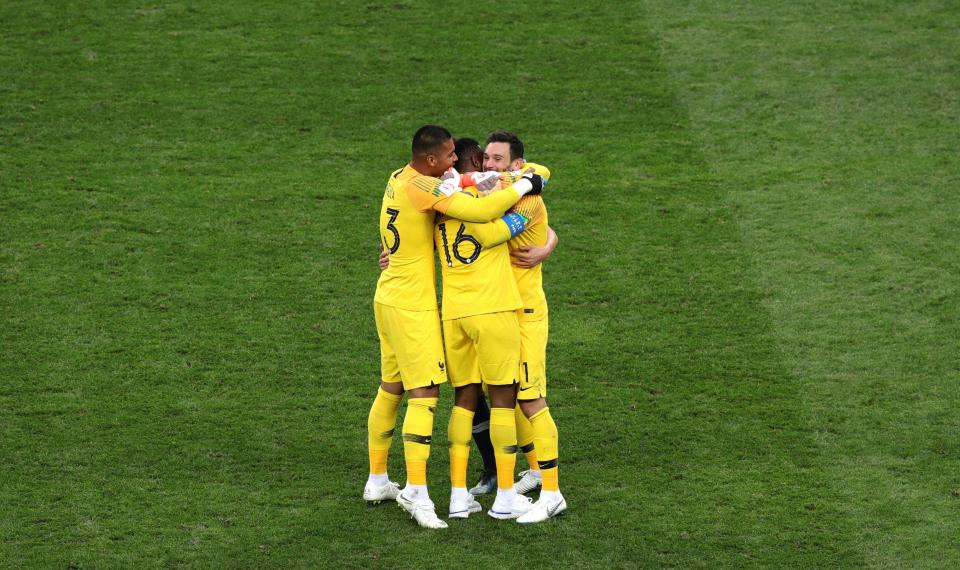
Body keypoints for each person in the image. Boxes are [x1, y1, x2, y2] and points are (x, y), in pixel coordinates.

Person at [365, 125, 543, 529]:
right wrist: (526, 183)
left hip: (389, 296)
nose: (450, 166)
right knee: (425, 394)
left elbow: (448, 191)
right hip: (416, 306)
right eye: (446, 158)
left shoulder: (398, 177)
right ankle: (418, 492)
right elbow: (481, 213)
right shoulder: (431, 193)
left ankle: (378, 479)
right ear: (430, 161)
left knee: (391, 387)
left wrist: (469, 179)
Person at [434, 138, 544, 520]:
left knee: (464, 399)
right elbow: (495, 228)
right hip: (493, 309)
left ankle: (457, 495)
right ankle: (507, 494)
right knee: (503, 399)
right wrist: (528, 189)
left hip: (453, 314)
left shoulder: (436, 204)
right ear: (479, 165)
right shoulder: (487, 197)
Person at [471, 130, 566, 523]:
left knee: (530, 398)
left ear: (516, 165)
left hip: (524, 314)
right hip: (498, 312)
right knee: (503, 397)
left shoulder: (525, 196)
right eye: (486, 159)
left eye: (498, 159)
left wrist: (547, 243)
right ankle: (533, 470)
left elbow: (492, 228)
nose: (489, 165)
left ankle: (553, 493)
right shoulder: (506, 188)